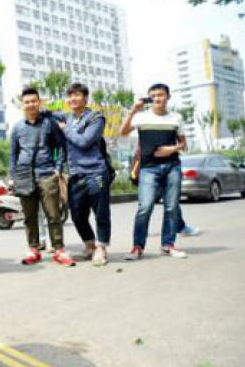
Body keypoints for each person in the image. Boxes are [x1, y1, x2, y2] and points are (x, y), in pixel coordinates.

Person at [9, 87, 76, 267]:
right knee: (29, 216)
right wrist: (12, 176)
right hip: (24, 175)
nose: (30, 104)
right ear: (22, 105)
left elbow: (61, 147)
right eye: (27, 102)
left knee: (53, 214)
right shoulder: (17, 128)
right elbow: (13, 154)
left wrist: (58, 169)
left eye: (33, 101)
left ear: (39, 102)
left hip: (46, 174)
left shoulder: (49, 124)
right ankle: (33, 249)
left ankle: (59, 249)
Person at [120, 83, 188, 260]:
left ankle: (168, 245)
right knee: (145, 206)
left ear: (168, 97)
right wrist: (133, 110)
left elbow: (183, 144)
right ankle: (137, 247)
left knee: (171, 207)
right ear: (150, 99)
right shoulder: (142, 117)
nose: (157, 99)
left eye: (161, 95)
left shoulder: (176, 118)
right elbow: (123, 132)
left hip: (172, 166)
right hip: (149, 169)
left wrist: (171, 149)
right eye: (154, 96)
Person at [57, 83, 111, 266]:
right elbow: (65, 146)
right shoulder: (67, 119)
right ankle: (90, 245)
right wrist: (59, 168)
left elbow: (85, 141)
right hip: (76, 174)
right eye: (70, 95)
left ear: (86, 98)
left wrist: (66, 130)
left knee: (101, 212)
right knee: (77, 215)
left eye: (77, 95)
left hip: (95, 172)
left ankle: (101, 248)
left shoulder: (96, 117)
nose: (73, 99)